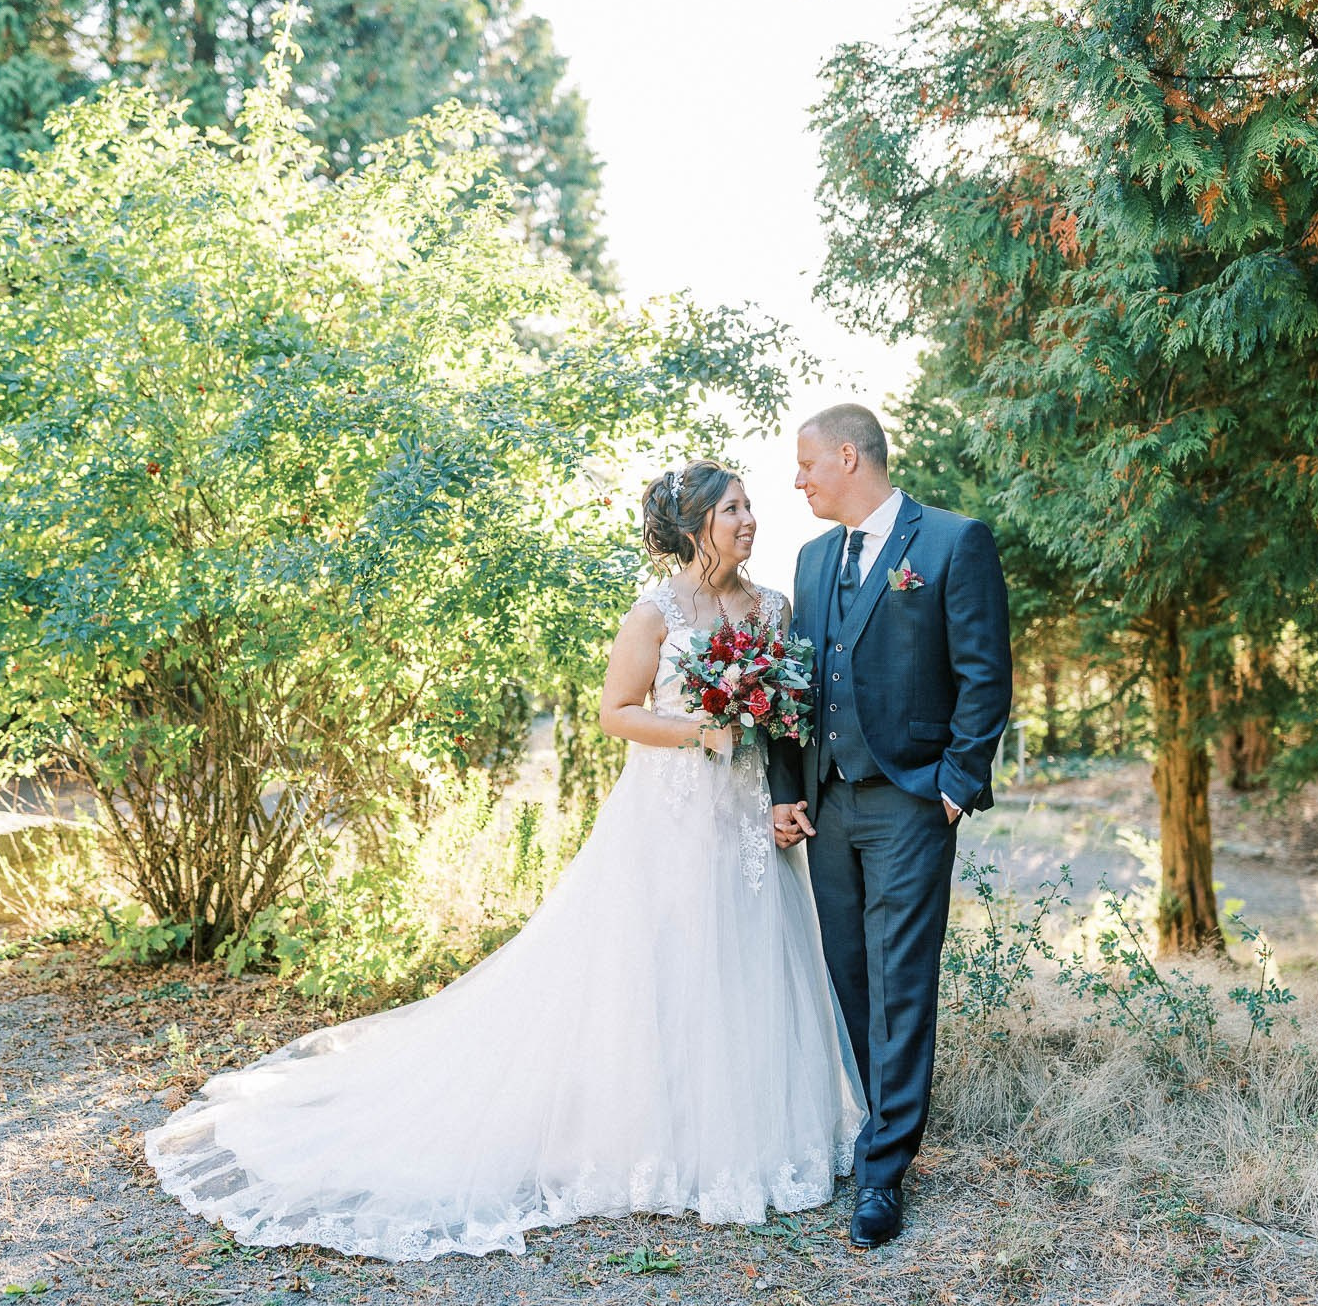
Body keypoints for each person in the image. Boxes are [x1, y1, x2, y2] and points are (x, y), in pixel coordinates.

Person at [146, 459, 862, 1261]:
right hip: (668, 818)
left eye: (749, 506)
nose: (749, 519)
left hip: (744, 814)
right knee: (661, 965)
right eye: (733, 509)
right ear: (697, 525)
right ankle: (654, 1141)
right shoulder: (654, 612)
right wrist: (699, 729)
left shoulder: (770, 607)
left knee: (746, 964)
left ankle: (739, 1137)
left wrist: (777, 792)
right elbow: (615, 713)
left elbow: (787, 717)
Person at [768, 403, 1012, 1249]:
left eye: (805, 465)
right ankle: (880, 1126)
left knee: (901, 982)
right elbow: (794, 683)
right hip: (828, 804)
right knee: (850, 976)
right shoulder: (809, 559)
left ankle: (884, 1174)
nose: (796, 481)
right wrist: (783, 786)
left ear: (847, 456)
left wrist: (953, 786)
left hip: (912, 802)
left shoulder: (951, 542)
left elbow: (985, 676)